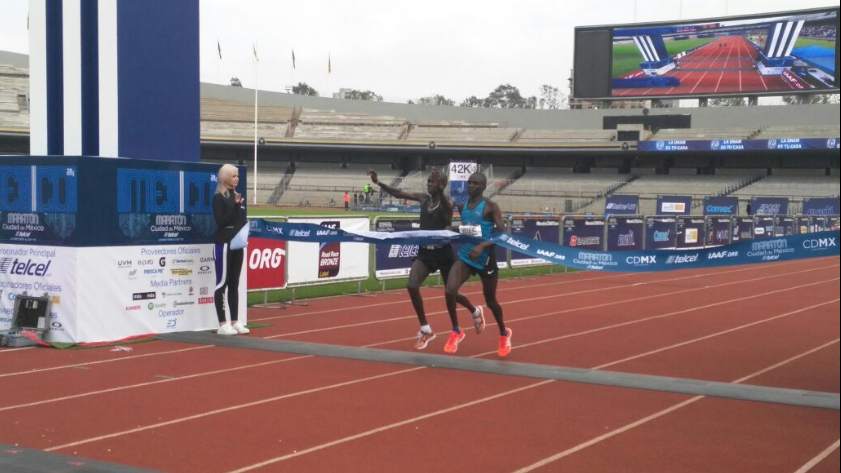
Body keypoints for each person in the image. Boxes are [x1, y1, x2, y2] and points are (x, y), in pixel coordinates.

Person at [368, 168, 484, 350]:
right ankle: (425, 329)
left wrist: (441, 190)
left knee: (451, 293)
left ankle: (474, 311)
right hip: (425, 253)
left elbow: (446, 206)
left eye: (433, 181)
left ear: (442, 185)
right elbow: (398, 193)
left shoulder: (448, 202)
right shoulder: (423, 199)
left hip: (443, 253)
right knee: (412, 286)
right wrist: (379, 182)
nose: (429, 184)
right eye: (428, 181)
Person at [444, 172, 512, 358]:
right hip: (466, 257)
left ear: (483, 186)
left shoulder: (490, 206)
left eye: (476, 183)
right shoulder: (462, 205)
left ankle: (504, 333)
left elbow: (503, 235)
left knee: (491, 301)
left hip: (485, 259)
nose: (471, 186)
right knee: (449, 291)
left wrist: (482, 246)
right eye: (469, 183)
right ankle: (456, 330)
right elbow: (469, 229)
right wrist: (452, 229)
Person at [212, 164, 250, 336]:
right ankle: (222, 323)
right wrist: (235, 206)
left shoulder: (238, 197)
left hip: (237, 244)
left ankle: (235, 321)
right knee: (222, 283)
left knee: (234, 283)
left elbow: (240, 221)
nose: (237, 179)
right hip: (223, 243)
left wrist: (246, 232)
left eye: (238, 176)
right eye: (234, 176)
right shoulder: (218, 197)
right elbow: (221, 221)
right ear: (225, 177)